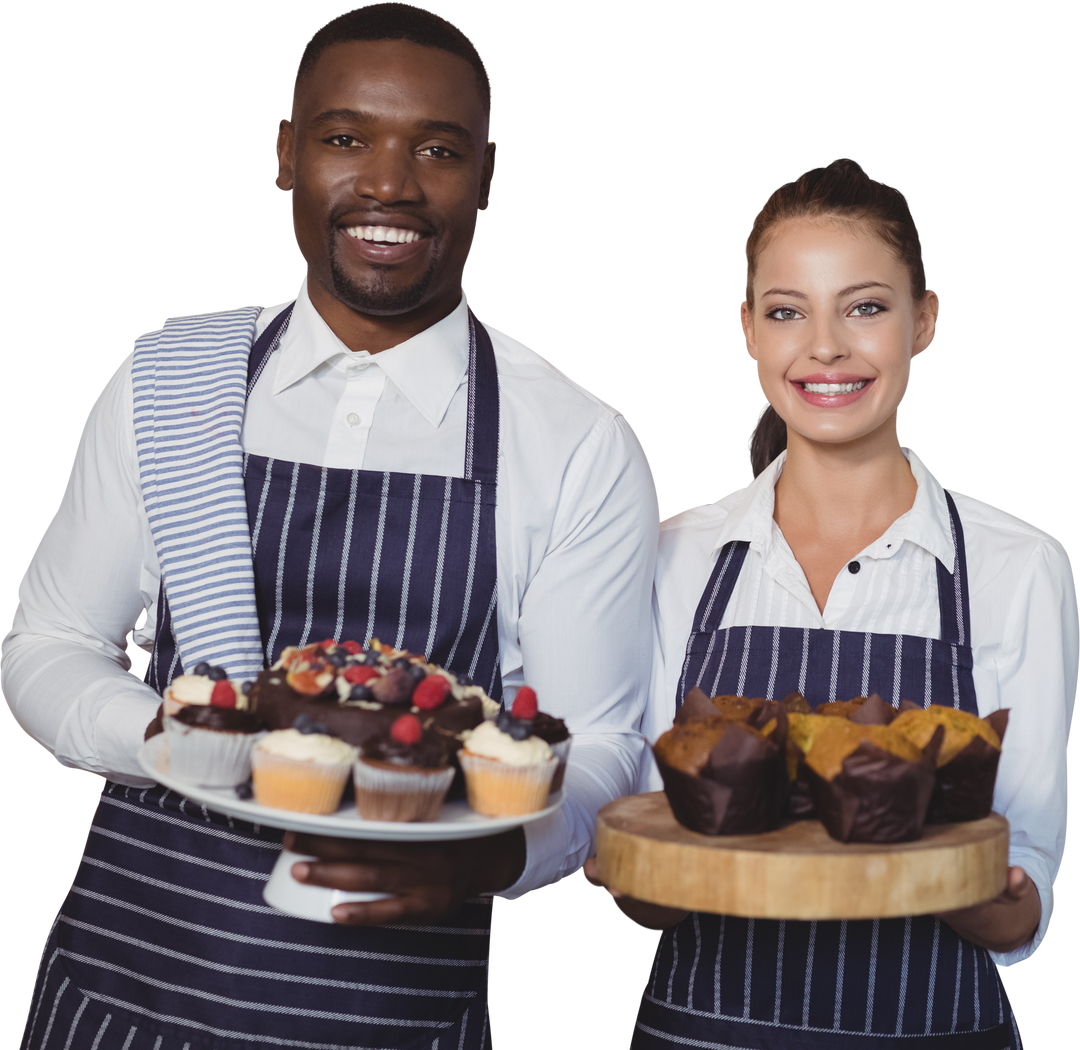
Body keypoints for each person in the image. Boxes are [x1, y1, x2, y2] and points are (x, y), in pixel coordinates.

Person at [4, 4, 660, 1047]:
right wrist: (175, 742)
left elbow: (604, 744)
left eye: (436, 150)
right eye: (346, 138)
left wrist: (491, 857)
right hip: (123, 993)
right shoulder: (169, 382)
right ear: (284, 153)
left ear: (488, 176)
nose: (389, 185)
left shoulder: (577, 439)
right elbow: (48, 644)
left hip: (389, 1014)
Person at [584, 155, 1075, 1048]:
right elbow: (653, 869)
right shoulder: (676, 552)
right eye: (786, 312)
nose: (824, 347)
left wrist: (993, 898)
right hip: (702, 1030)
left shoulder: (1021, 566)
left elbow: (1028, 881)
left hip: (935, 1031)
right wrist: (626, 868)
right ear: (746, 331)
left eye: (865, 307)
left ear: (924, 321)